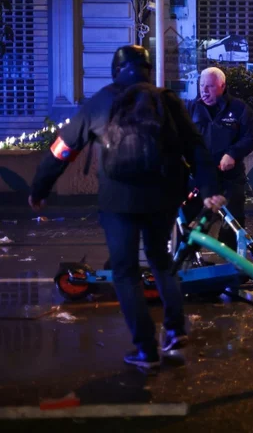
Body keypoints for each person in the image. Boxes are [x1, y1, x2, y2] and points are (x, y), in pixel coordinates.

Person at [29, 45, 225, 368]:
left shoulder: (100, 101)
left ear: (115, 70)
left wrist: (39, 188)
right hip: (162, 198)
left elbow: (62, 149)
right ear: (148, 69)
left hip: (117, 201)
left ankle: (145, 349)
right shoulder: (167, 101)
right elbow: (197, 148)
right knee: (162, 263)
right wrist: (209, 189)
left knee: (125, 272)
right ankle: (175, 331)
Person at [185, 67, 253, 251]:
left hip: (229, 178)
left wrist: (233, 153)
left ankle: (232, 262)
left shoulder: (239, 109)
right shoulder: (190, 108)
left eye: (210, 87)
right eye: (202, 86)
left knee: (233, 222)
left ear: (222, 86)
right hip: (199, 178)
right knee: (189, 219)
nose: (204, 91)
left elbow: (251, 137)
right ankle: (185, 260)